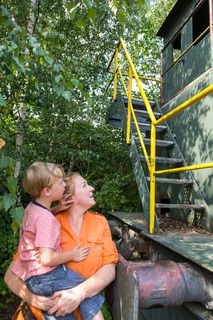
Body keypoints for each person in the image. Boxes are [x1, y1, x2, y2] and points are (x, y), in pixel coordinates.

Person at [5, 170, 118, 320]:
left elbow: (109, 269)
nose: (92, 188)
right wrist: (34, 299)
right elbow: (10, 276)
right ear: (70, 197)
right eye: (84, 185)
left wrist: (78, 294)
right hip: (40, 314)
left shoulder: (99, 222)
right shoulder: (47, 222)